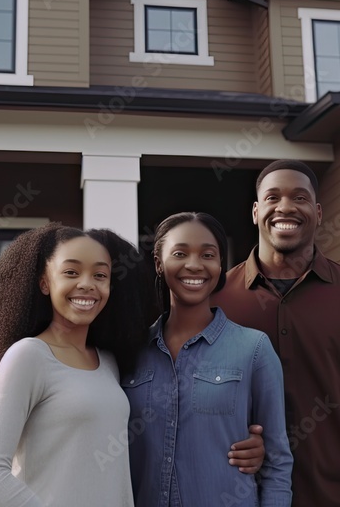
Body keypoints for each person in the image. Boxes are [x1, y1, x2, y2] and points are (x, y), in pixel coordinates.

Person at [0, 223, 267, 506]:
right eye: (71, 272)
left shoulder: (109, 362)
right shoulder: (28, 356)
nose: (86, 285)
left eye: (100, 275)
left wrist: (242, 442)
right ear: (45, 282)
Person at [211, 160, 340, 507]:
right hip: (236, 498)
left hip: (338, 498)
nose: (286, 207)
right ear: (255, 211)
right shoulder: (217, 300)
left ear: (319, 212)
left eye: (300, 198)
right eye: (273, 197)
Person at [124, 212, 292, 506]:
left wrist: (260, 448)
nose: (194, 264)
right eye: (180, 253)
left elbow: (277, 461)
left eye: (208, 254)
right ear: (158, 263)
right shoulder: (131, 352)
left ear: (219, 265)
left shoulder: (253, 349)